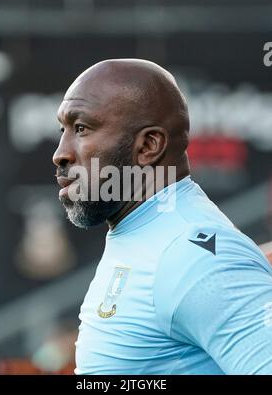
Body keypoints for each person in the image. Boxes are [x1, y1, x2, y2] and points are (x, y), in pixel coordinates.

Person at [53, 59, 272, 374]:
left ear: (148, 147)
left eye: (82, 128)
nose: (60, 153)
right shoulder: (151, 235)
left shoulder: (192, 256)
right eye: (64, 130)